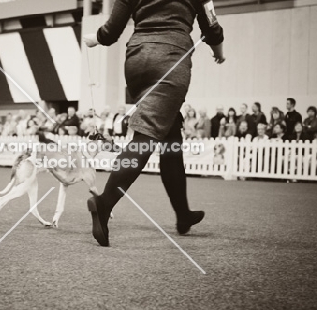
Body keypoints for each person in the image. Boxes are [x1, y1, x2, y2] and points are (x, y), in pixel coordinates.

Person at [83, 0, 225, 246]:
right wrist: (219, 53)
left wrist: (95, 37)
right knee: (145, 139)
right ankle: (104, 203)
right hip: (171, 59)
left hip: (137, 60)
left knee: (171, 138)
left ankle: (183, 214)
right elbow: (212, 29)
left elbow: (112, 30)